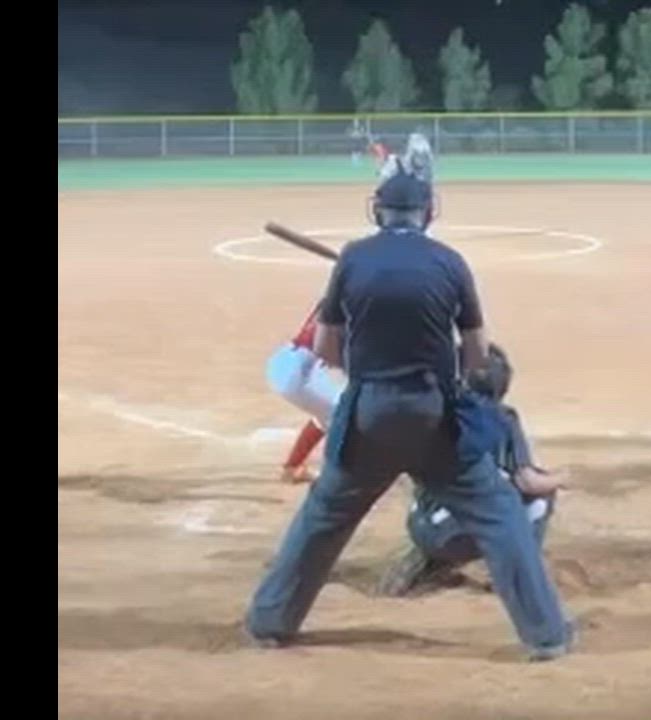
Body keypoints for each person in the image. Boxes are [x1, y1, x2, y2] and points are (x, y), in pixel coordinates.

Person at [243, 166, 574, 661]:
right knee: (500, 513)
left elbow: (327, 350)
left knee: (324, 515)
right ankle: (546, 636)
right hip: (433, 414)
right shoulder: (450, 263)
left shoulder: (353, 259)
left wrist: (372, 355)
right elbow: (477, 356)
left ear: (378, 211)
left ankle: (269, 623)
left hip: (369, 413)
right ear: (428, 213)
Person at [376, 343, 562, 597]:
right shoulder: (504, 418)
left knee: (448, 493)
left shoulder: (430, 412)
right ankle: (516, 572)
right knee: (540, 493)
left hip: (423, 526)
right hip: (465, 531)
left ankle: (431, 559)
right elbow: (528, 482)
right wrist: (563, 478)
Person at [264, 301, 343, 484]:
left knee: (327, 414)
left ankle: (292, 468)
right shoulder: (363, 303)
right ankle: (338, 479)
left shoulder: (340, 295)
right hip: (300, 372)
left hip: (284, 360)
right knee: (346, 415)